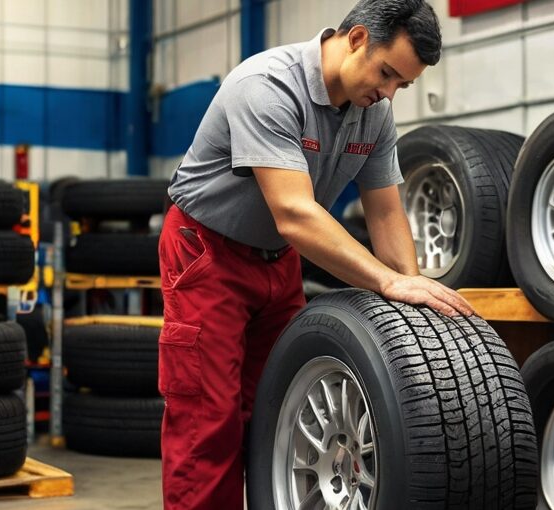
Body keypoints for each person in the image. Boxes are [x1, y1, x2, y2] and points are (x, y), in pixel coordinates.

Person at [157, 0, 475, 507]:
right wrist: (389, 283)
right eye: (388, 73)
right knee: (208, 421)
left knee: (280, 407)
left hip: (278, 259)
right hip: (207, 255)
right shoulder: (265, 86)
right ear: (354, 40)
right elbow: (295, 213)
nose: (389, 93)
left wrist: (417, 300)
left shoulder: (374, 116)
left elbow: (388, 215)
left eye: (403, 86)